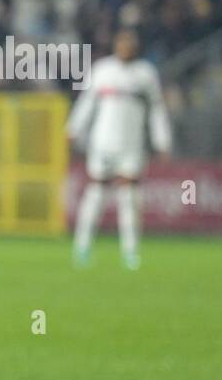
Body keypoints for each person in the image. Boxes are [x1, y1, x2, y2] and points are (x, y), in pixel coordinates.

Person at [67, 29, 172, 269]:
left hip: (131, 145)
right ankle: (82, 247)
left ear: (136, 47)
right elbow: (87, 102)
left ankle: (130, 251)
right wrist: (73, 128)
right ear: (116, 45)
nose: (125, 47)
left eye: (130, 44)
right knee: (96, 194)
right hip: (103, 142)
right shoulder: (103, 70)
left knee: (129, 197)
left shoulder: (145, 74)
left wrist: (162, 140)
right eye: (122, 43)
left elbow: (157, 110)